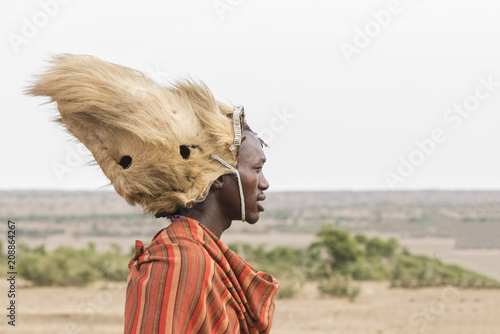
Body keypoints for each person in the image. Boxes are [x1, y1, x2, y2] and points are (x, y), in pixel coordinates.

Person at [29, 54, 280, 333]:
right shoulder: (177, 262)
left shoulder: (197, 256)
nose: (264, 183)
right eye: (256, 169)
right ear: (218, 178)